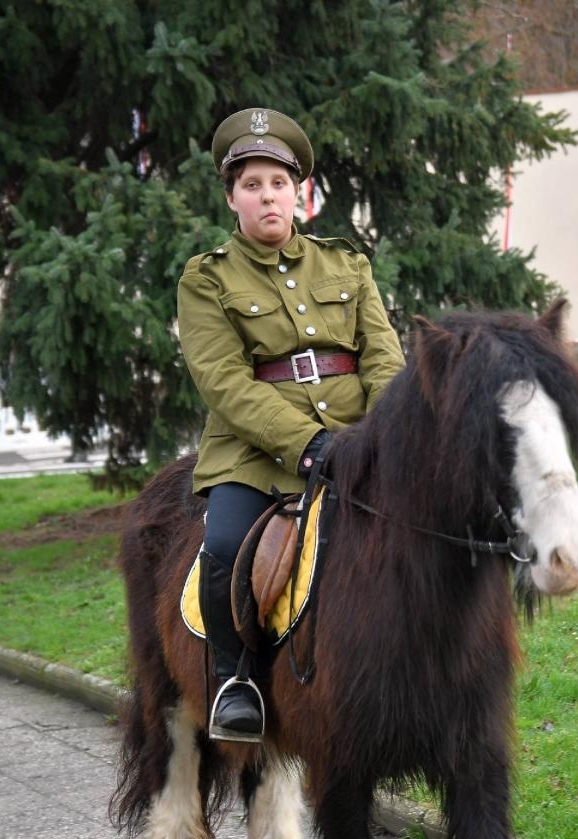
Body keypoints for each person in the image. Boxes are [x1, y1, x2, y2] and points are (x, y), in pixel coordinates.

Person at [178, 108, 405, 742]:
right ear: (232, 198)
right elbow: (223, 382)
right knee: (224, 545)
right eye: (252, 185)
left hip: (360, 441)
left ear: (298, 192)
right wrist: (309, 444)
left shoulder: (347, 266)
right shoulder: (206, 279)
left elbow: (383, 354)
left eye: (278, 183)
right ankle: (236, 681)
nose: (267, 196)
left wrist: (381, 433)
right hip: (252, 455)